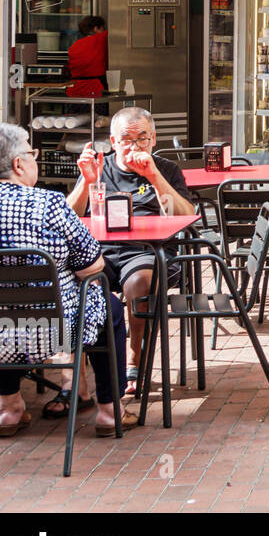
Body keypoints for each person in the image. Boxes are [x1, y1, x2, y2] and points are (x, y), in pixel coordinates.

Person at [0, 124, 126, 436]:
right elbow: (93, 266)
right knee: (109, 306)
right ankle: (110, 411)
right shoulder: (49, 204)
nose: (34, 159)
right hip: (54, 334)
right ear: (17, 165)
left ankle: (8, 409)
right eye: (31, 152)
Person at [67, 107, 194, 392]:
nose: (134, 146)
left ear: (153, 140)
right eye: (126, 139)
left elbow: (184, 216)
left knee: (140, 282)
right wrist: (87, 183)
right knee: (75, 280)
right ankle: (79, 376)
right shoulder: (100, 168)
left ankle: (134, 359)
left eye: (142, 138)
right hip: (101, 251)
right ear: (113, 142)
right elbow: (70, 217)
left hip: (150, 251)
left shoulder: (166, 169)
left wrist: (153, 176)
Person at [65, 15, 108, 98]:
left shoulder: (75, 45)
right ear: (96, 28)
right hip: (94, 88)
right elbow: (116, 31)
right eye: (102, 28)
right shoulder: (100, 38)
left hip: (74, 89)